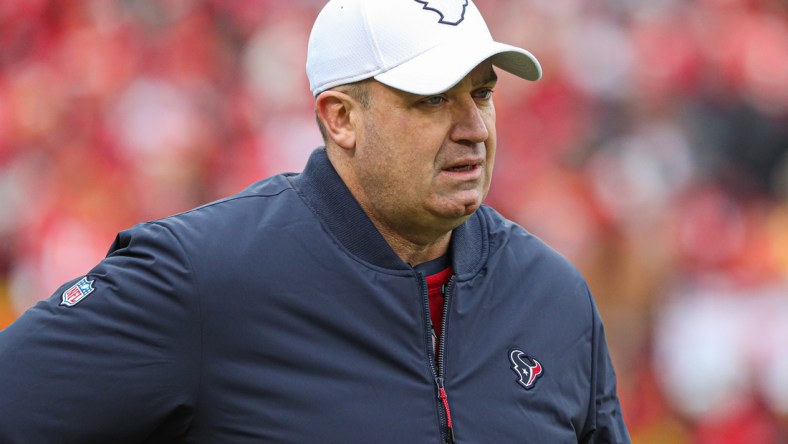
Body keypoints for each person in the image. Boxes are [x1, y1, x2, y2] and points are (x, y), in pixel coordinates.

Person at [0, 0, 630, 442]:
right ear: (340, 119)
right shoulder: (202, 277)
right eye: (432, 99)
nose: (473, 128)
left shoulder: (553, 296)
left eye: (483, 93)